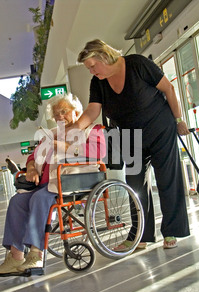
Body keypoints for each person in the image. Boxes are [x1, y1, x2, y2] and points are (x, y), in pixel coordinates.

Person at [73, 39, 191, 249]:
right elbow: (93, 110)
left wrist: (178, 119)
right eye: (89, 68)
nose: (92, 71)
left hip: (159, 129)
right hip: (129, 136)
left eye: (93, 66)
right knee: (136, 185)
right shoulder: (98, 82)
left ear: (103, 57)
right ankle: (141, 236)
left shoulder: (137, 64)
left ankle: (171, 231)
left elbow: (169, 89)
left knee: (167, 180)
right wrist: (75, 128)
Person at [0, 93, 106, 276]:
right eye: (56, 114)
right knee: (17, 201)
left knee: (39, 198)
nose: (59, 116)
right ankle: (15, 257)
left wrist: (64, 147)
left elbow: (97, 153)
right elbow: (32, 157)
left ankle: (36, 254)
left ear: (77, 112)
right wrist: (31, 168)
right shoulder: (51, 134)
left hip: (72, 181)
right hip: (46, 184)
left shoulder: (92, 129)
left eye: (64, 111)